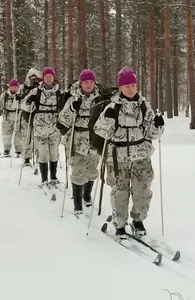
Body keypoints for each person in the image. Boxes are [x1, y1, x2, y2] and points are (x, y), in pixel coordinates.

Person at [93, 67, 164, 238]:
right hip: (118, 157)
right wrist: (106, 119)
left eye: (133, 85)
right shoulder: (112, 107)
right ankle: (119, 225)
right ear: (120, 88)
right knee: (120, 192)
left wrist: (158, 125)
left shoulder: (144, 107)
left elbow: (153, 134)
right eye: (127, 85)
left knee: (143, 191)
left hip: (141, 157)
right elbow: (100, 131)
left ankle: (138, 220)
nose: (131, 88)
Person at [57, 69, 103, 215]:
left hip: (93, 139)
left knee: (91, 170)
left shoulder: (100, 99)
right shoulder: (73, 98)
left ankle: (87, 195)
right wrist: (71, 109)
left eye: (91, 82)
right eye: (86, 82)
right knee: (77, 171)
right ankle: (77, 204)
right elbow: (62, 120)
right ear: (81, 83)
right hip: (76, 139)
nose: (89, 85)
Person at [25, 67, 62, 186]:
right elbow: (24, 105)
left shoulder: (58, 92)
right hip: (40, 127)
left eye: (51, 77)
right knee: (43, 154)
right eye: (46, 77)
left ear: (53, 78)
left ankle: (54, 176)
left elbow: (63, 108)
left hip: (54, 127)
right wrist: (29, 102)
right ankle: (44, 178)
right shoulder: (36, 91)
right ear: (43, 78)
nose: (49, 79)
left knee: (54, 153)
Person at [19, 68, 41, 168]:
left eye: (35, 78)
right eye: (31, 78)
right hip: (26, 115)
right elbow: (20, 98)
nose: (33, 80)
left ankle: (39, 158)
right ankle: (26, 157)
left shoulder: (40, 87)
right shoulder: (23, 87)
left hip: (38, 116)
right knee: (26, 137)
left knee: (38, 138)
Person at [0, 79, 23, 157]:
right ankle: (7, 149)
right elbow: (0, 106)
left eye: (15, 87)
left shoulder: (21, 94)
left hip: (18, 117)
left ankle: (19, 150)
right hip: (8, 117)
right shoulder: (4, 95)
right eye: (12, 86)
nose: (13, 88)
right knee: (6, 134)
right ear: (9, 87)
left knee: (18, 134)